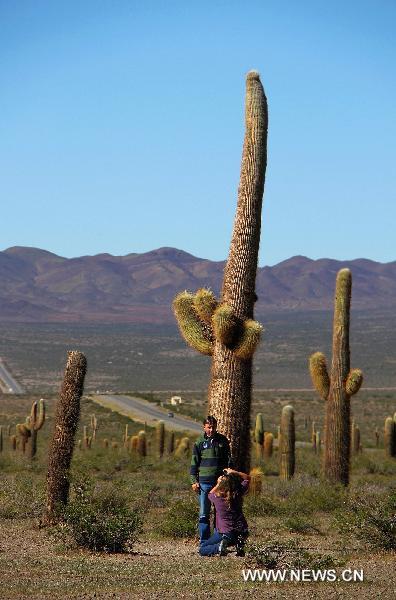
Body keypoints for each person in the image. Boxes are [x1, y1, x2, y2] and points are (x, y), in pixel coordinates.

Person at [190, 415, 232, 542]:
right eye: (209, 427)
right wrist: (193, 481)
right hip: (203, 483)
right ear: (204, 427)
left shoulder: (223, 441)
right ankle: (204, 541)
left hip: (218, 483)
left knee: (219, 512)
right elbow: (194, 463)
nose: (211, 430)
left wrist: (226, 479)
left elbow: (228, 462)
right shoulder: (199, 442)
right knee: (204, 513)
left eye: (213, 427)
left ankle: (217, 540)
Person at [199, 468, 250, 557]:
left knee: (203, 548)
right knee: (236, 537)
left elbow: (210, 493)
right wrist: (234, 472)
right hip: (243, 531)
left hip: (227, 534)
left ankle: (219, 547)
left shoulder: (216, 498)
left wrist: (218, 483)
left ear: (221, 486)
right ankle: (239, 544)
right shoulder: (238, 493)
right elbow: (247, 478)